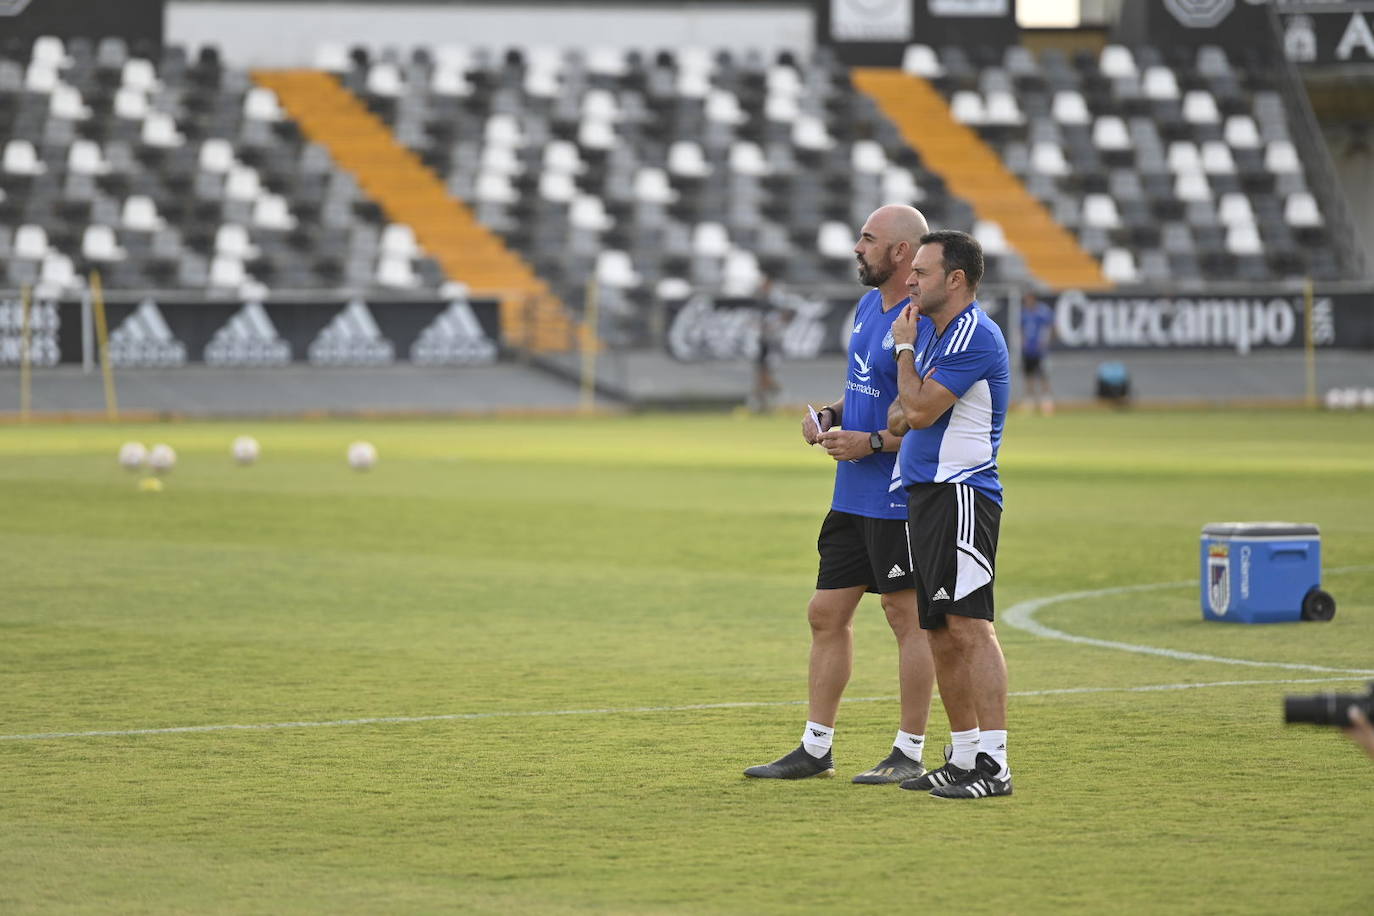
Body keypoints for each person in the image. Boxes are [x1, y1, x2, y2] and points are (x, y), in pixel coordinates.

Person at [744, 204, 936, 784]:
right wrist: (830, 414)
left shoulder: (921, 319)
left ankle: (909, 750)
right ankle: (817, 747)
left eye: (868, 238)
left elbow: (925, 411)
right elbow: (864, 387)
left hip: (899, 495)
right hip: (851, 493)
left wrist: (873, 441)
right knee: (826, 614)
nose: (857, 246)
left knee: (906, 618)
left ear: (901, 252)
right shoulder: (865, 306)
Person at [887, 229, 1013, 799]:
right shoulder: (940, 334)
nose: (910, 280)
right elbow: (899, 415)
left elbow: (912, 409)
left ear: (955, 279)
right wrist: (912, 389)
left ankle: (995, 764)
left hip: (962, 493)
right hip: (927, 495)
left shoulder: (974, 336)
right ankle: (963, 756)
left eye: (923, 271)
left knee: (969, 626)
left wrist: (903, 353)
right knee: (936, 628)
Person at [1019, 289, 1054, 415]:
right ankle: (1030, 402)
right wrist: (1023, 342)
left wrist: (1045, 342)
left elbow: (1050, 328)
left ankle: (1046, 403)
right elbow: (1022, 329)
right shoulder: (1024, 313)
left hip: (1041, 351)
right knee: (1029, 376)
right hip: (1028, 350)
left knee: (1044, 376)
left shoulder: (1043, 312)